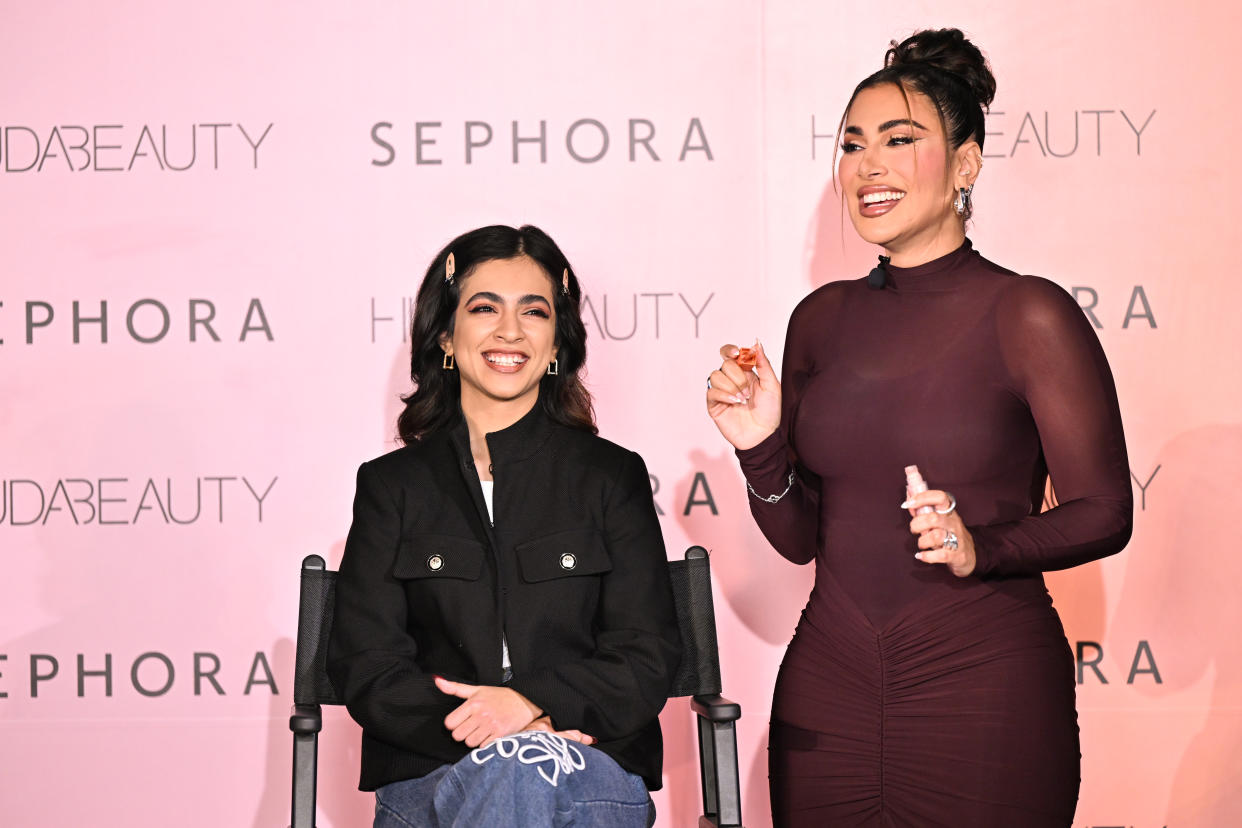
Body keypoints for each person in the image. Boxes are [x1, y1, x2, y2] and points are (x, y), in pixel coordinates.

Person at [705, 29, 1133, 827]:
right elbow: (802, 539)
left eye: (901, 140)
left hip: (984, 686)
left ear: (966, 164)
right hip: (829, 683)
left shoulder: (1027, 312)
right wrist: (760, 447)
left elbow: (1106, 509)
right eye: (854, 144)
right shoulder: (820, 321)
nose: (868, 166)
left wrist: (984, 547)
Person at [328, 224, 681, 827]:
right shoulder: (392, 488)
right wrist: (489, 734)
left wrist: (530, 710)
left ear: (556, 345)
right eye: (484, 307)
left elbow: (647, 654)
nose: (509, 331)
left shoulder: (611, 477)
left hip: (583, 761)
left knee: (522, 773)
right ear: (445, 334)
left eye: (534, 312)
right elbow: (368, 664)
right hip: (432, 770)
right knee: (510, 774)